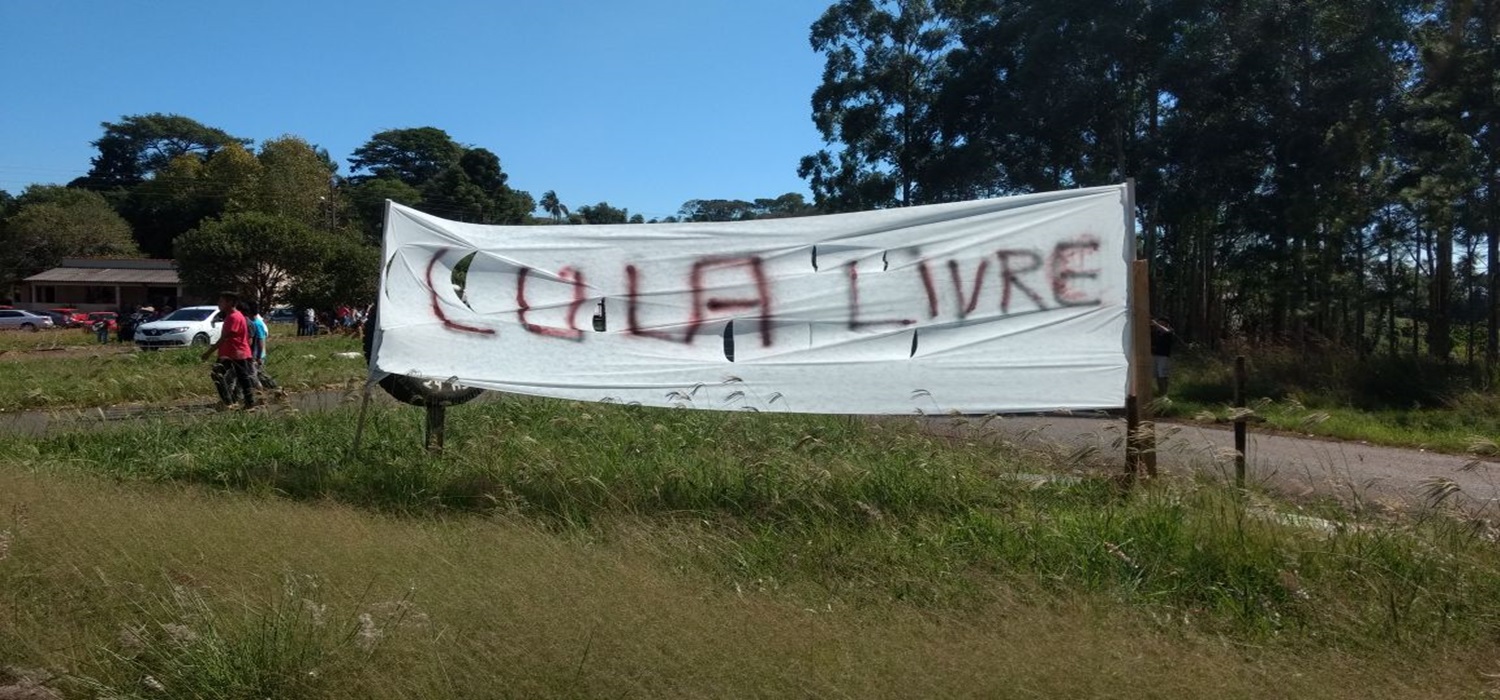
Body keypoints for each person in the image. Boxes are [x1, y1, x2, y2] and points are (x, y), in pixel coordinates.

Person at [202, 291, 256, 410]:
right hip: (230, 353)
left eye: (221, 301)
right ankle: (229, 401)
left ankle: (246, 403)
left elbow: (224, 337)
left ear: (230, 302)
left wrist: (208, 352)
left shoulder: (234, 317)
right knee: (219, 374)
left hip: (237, 353)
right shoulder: (232, 316)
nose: (219, 303)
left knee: (241, 377)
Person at [246, 304, 279, 391]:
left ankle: (265, 392)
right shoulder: (253, 323)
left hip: (258, 355)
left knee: (254, 376)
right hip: (255, 354)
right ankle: (274, 389)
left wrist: (259, 356)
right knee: (259, 375)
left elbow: (261, 341)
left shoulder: (257, 324)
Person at [1150, 317, 1175, 395]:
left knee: (1163, 375)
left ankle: (1164, 393)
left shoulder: (1170, 331)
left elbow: (1166, 331)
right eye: (1159, 323)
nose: (1159, 325)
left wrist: (1156, 324)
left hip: (1163, 356)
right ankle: (1160, 392)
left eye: (1162, 323)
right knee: (1157, 375)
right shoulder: (1155, 333)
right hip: (1154, 355)